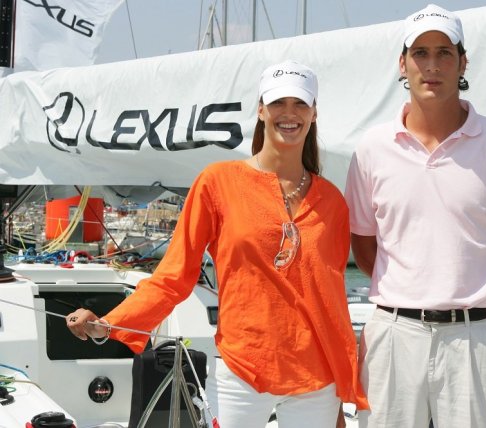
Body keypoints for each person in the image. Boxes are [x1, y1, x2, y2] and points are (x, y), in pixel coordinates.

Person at [66, 59, 368, 427]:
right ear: (260, 109)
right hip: (242, 372)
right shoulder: (217, 183)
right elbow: (174, 276)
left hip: (314, 378)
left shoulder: (332, 202)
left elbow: (331, 300)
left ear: (314, 113)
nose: (289, 114)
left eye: (300, 103)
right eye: (278, 103)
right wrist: (110, 323)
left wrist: (342, 388)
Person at [344, 4, 486, 428]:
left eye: (444, 52)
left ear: (463, 62)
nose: (431, 65)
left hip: (474, 338)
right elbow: (364, 246)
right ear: (403, 63)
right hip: (393, 337)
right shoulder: (372, 148)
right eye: (420, 53)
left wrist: (483, 317)